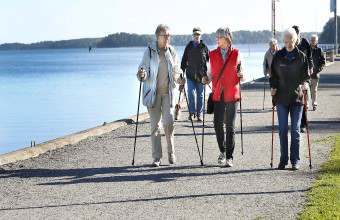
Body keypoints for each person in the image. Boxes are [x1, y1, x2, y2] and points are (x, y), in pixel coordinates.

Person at [137, 24, 185, 167]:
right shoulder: (150, 52)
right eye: (165, 36)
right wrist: (142, 75)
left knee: (169, 123)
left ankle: (171, 153)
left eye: (169, 35)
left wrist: (180, 78)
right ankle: (157, 157)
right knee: (155, 126)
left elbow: (176, 70)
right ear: (157, 37)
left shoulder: (171, 51)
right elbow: (142, 70)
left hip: (168, 94)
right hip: (153, 94)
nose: (168, 38)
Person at [202, 27, 245, 167]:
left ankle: (229, 157)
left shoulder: (237, 54)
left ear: (226, 38)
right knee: (217, 125)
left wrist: (241, 75)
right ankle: (223, 150)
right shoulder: (212, 54)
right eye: (216, 37)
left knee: (230, 127)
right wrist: (205, 79)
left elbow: (243, 75)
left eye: (219, 37)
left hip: (232, 93)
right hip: (218, 93)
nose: (217, 39)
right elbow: (209, 75)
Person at [270, 28, 310, 170]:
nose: (288, 44)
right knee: (282, 130)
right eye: (286, 42)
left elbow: (306, 76)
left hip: (296, 99)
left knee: (295, 130)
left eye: (291, 41)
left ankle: (295, 160)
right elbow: (273, 76)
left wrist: (306, 84)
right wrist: (273, 87)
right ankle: (283, 159)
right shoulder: (278, 56)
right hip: (281, 98)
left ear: (296, 41)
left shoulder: (301, 57)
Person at [181, 27, 210, 122]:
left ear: (200, 36)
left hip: (201, 74)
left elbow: (210, 58)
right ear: (192, 35)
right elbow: (184, 59)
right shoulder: (189, 46)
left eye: (198, 35)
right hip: (190, 74)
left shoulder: (203, 46)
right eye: (195, 34)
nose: (196, 36)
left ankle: (199, 114)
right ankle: (192, 112)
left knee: (200, 95)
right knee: (190, 93)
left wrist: (209, 73)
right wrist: (182, 71)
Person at [292, 25, 314, 133]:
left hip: (304, 75)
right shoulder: (291, 43)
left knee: (303, 101)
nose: (297, 34)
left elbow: (309, 57)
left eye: (298, 32)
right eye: (296, 32)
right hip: (293, 76)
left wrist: (311, 67)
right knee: (295, 101)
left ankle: (303, 124)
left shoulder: (305, 43)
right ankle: (296, 123)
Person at [310, 34, 326, 111]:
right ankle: (306, 105)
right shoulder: (307, 49)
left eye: (314, 40)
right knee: (306, 90)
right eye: (311, 40)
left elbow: (323, 62)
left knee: (314, 90)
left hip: (315, 74)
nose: (312, 41)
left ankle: (314, 104)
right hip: (307, 74)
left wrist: (318, 70)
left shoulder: (319, 50)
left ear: (317, 41)